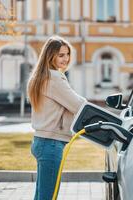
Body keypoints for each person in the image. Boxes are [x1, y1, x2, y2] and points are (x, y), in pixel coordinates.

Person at [27, 36, 86, 200]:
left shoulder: (39, 76)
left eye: (67, 54)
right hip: (51, 143)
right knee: (48, 197)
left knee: (41, 196)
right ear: (50, 55)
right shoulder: (54, 77)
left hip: (41, 140)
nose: (65, 59)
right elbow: (77, 104)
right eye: (61, 55)